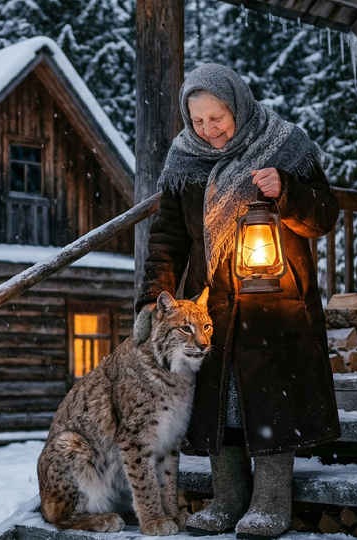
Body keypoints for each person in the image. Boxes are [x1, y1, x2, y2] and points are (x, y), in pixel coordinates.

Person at [134, 63, 341, 539]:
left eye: (217, 117)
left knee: (272, 397)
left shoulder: (285, 145)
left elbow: (324, 215)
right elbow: (167, 238)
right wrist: (152, 298)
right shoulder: (183, 160)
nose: (208, 130)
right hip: (213, 304)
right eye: (198, 120)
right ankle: (228, 498)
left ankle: (270, 501)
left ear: (238, 106)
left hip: (277, 302)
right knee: (217, 399)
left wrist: (287, 191)